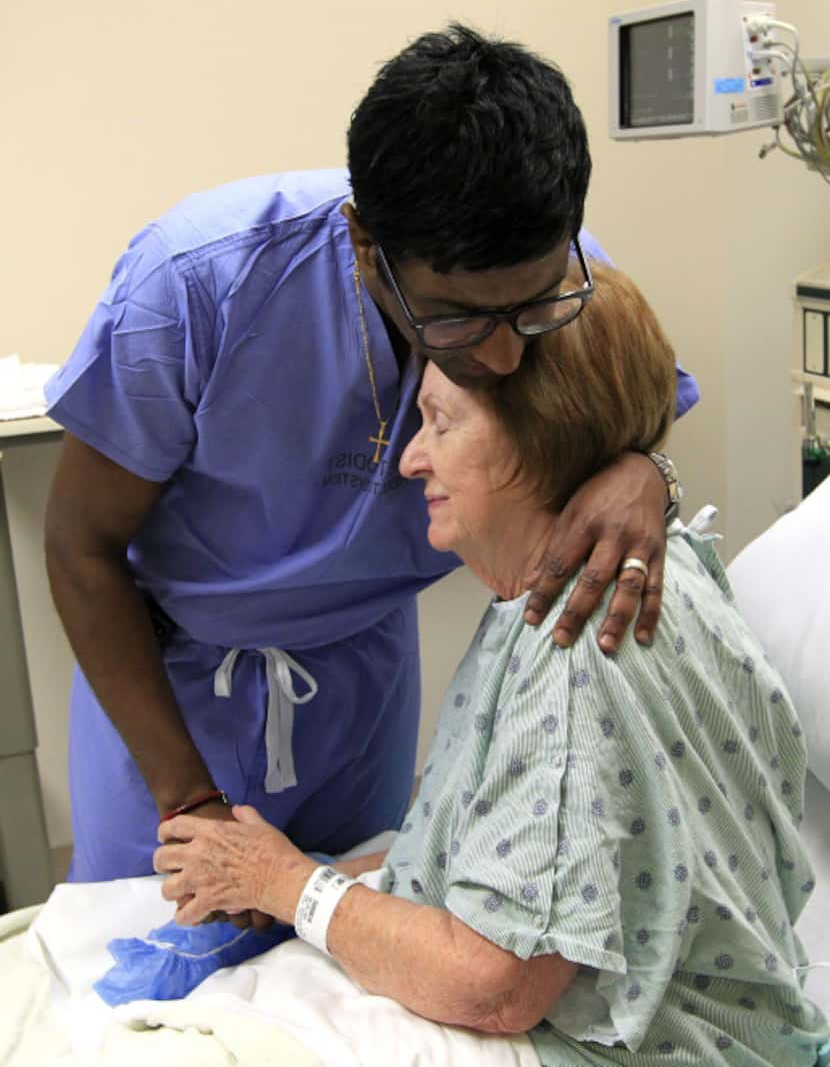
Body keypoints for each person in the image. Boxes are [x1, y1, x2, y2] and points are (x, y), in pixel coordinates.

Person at [44, 25, 698, 901]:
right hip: (176, 682)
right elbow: (80, 546)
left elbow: (633, 413)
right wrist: (189, 799)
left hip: (363, 675)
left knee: (364, 947)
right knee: (145, 967)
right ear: (362, 244)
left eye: (533, 307)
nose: (506, 356)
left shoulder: (565, 280)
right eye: (459, 317)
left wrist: (644, 471)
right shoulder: (198, 286)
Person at [155, 263, 828, 1066]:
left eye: (441, 423)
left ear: (543, 433)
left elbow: (494, 983)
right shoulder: (649, 563)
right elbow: (526, 846)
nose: (411, 460)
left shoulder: (577, 644)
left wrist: (290, 885)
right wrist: (321, 876)